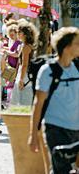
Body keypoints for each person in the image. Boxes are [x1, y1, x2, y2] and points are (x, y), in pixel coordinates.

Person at [28, 27, 79, 174]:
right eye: (77, 43)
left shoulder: (77, 68)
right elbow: (38, 104)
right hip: (55, 128)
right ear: (67, 46)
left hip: (76, 128)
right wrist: (33, 135)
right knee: (60, 169)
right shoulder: (48, 71)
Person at [10, 20, 37, 106]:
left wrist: (21, 80)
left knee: (22, 104)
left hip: (25, 77)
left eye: (19, 32)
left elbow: (24, 64)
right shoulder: (26, 45)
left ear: (25, 34)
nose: (17, 33)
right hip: (27, 76)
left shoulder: (25, 46)